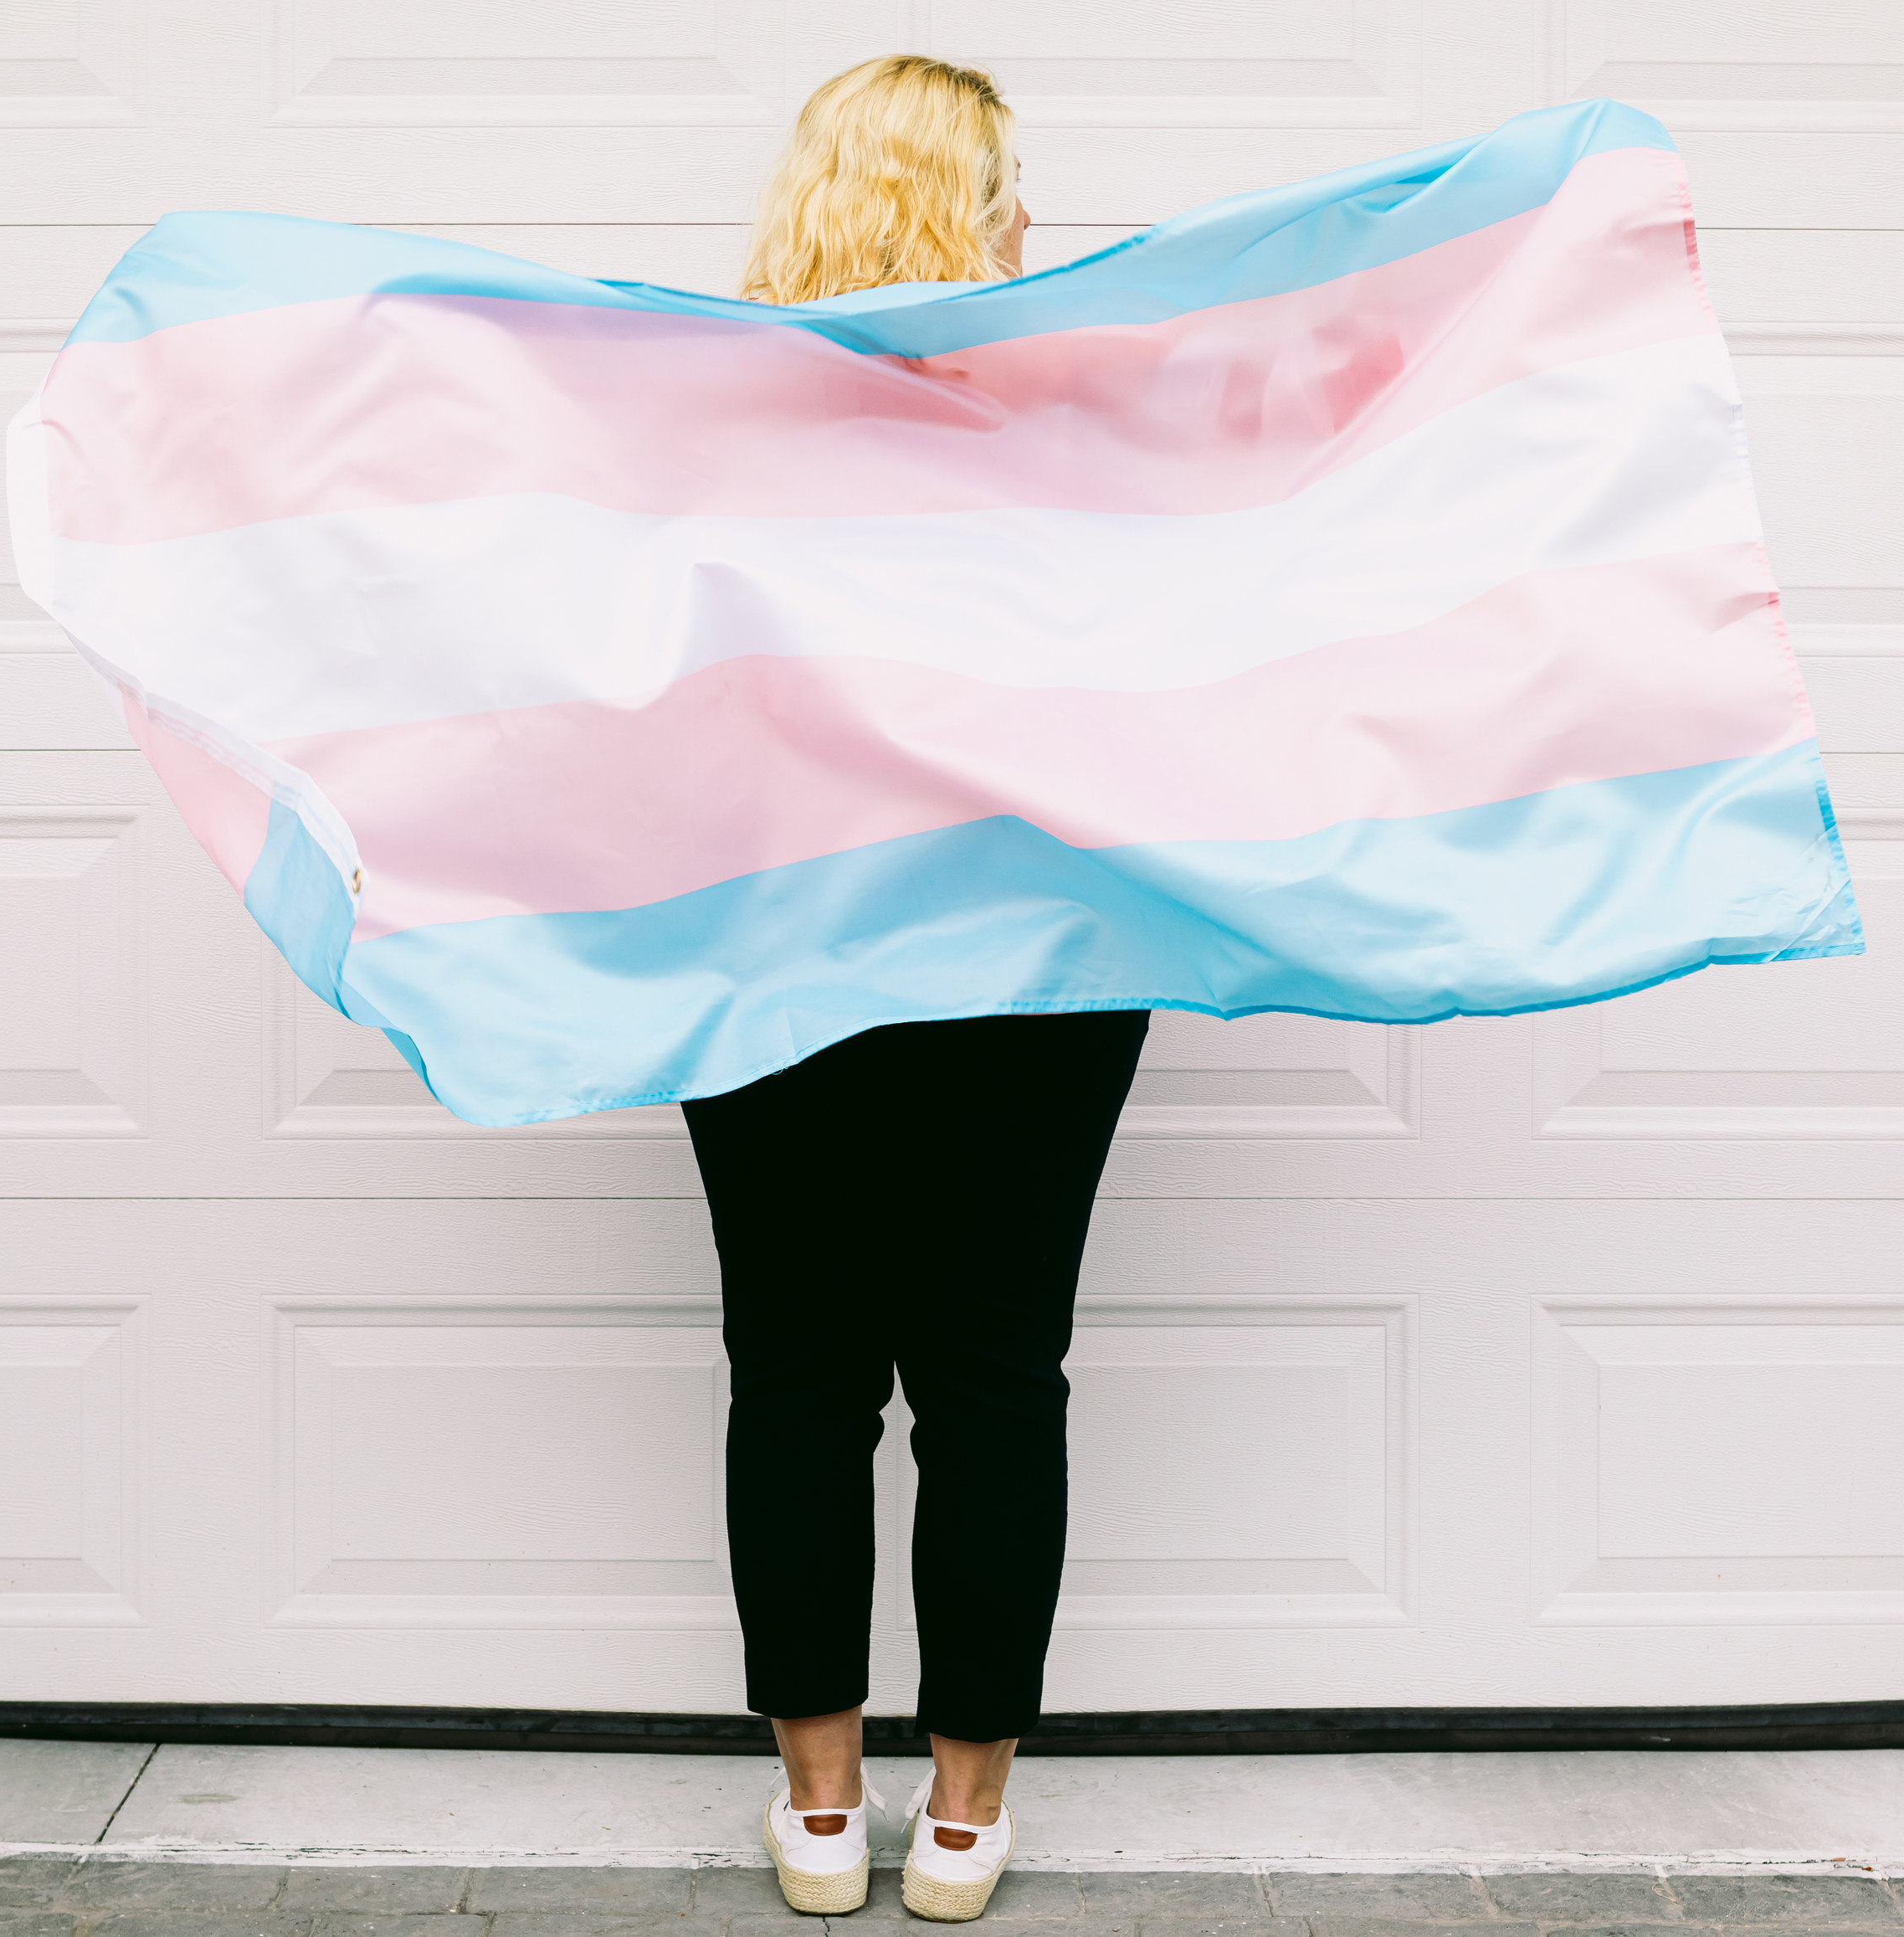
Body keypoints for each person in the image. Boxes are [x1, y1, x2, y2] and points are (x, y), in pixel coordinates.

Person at [683, 53, 1152, 1924]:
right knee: (992, 1374)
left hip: (765, 951)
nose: (1036, 225)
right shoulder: (1075, 434)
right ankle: (960, 1817)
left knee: (795, 1369)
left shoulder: (696, 428)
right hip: (1032, 960)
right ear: (966, 202)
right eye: (1015, 189)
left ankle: (816, 1807)